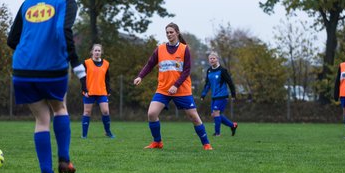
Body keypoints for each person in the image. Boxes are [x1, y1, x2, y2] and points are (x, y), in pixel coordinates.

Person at [7, 0, 86, 173]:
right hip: (52, 68)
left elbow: (12, 40)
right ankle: (64, 159)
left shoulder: (28, 2)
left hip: (22, 69)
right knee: (60, 109)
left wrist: (32, 50)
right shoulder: (67, 2)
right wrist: (77, 65)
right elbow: (64, 31)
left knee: (41, 120)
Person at [133, 22, 213, 150]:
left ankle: (206, 144)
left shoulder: (184, 48)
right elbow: (149, 65)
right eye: (167, 32)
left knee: (194, 116)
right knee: (152, 113)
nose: (169, 34)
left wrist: (176, 85)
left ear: (177, 32)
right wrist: (140, 76)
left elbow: (187, 70)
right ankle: (157, 142)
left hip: (181, 89)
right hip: (163, 89)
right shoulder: (160, 49)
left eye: (171, 32)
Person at [81, 44, 114, 139]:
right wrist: (84, 89)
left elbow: (107, 78)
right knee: (87, 112)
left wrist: (108, 89)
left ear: (101, 52)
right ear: (92, 52)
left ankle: (108, 132)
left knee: (106, 111)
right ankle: (84, 135)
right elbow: (82, 77)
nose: (97, 52)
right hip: (89, 92)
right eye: (95, 50)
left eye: (99, 51)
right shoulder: (86, 63)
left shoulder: (106, 64)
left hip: (102, 92)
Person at [201, 51, 238, 136]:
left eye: (214, 58)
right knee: (215, 114)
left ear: (217, 59)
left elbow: (230, 82)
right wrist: (203, 94)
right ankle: (233, 125)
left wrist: (233, 94)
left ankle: (217, 133)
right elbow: (207, 84)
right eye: (210, 59)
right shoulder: (209, 71)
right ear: (208, 60)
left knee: (216, 113)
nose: (212, 60)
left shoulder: (223, 70)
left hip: (222, 96)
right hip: (214, 96)